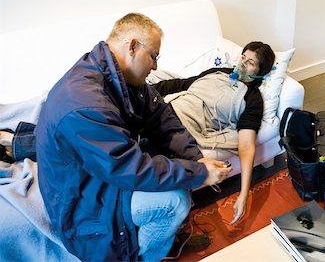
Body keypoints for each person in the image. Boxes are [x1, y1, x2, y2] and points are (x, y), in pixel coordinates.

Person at [34, 13, 232, 261]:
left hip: (99, 175)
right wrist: (199, 173)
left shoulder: (120, 77)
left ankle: (161, 234)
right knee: (176, 200)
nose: (155, 66)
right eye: (154, 56)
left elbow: (162, 119)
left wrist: (196, 159)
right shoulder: (85, 102)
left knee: (174, 165)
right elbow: (130, 168)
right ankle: (147, 254)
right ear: (132, 46)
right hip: (83, 202)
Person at [153, 41, 275, 225]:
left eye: (250, 62)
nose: (242, 63)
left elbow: (246, 146)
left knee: (149, 161)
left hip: (182, 126)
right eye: (243, 57)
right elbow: (183, 84)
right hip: (167, 108)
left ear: (259, 72)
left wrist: (244, 195)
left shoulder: (251, 99)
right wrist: (142, 92)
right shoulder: (220, 72)